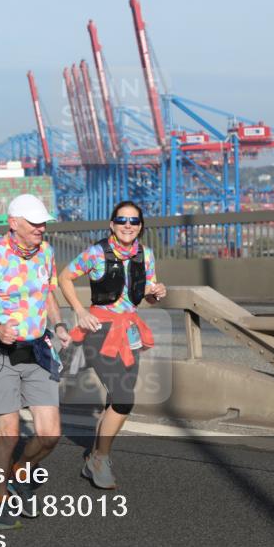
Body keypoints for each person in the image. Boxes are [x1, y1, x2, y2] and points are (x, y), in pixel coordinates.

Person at [0, 194, 71, 529]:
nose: (41, 228)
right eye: (34, 222)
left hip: (37, 350)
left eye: (43, 222)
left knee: (50, 435)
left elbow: (47, 291)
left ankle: (20, 470)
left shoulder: (46, 252)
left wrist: (59, 324)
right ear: (13, 223)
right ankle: (0, 498)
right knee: (8, 434)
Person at [59, 200, 166, 490]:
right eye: (122, 220)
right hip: (98, 329)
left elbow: (146, 294)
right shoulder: (96, 252)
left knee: (117, 398)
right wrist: (80, 311)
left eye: (134, 221)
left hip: (129, 331)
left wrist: (157, 292)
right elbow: (64, 277)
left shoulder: (147, 254)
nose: (128, 226)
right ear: (112, 224)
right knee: (123, 398)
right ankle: (100, 459)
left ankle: (95, 457)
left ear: (141, 226)